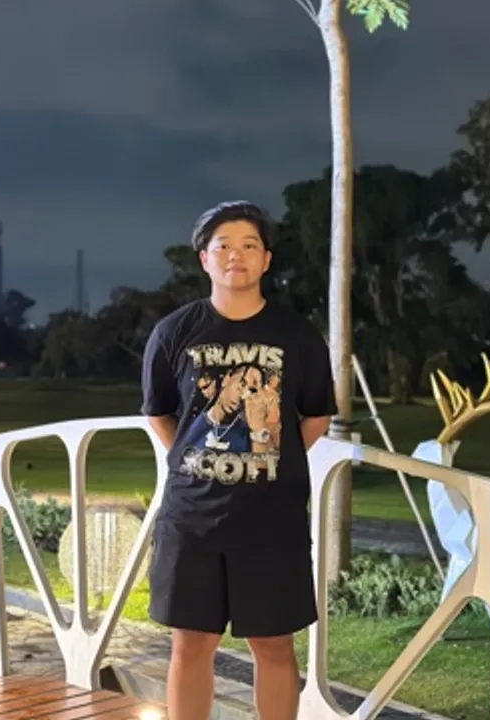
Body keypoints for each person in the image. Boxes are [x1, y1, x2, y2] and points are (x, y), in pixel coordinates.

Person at [141, 200, 337, 720]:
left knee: (273, 645)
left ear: (266, 260)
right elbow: (159, 413)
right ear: (204, 259)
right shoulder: (174, 332)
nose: (236, 255)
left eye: (249, 245)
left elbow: (316, 417)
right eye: (223, 246)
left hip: (271, 520)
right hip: (192, 517)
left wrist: (267, 458)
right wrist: (197, 459)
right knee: (190, 643)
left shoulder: (297, 335)